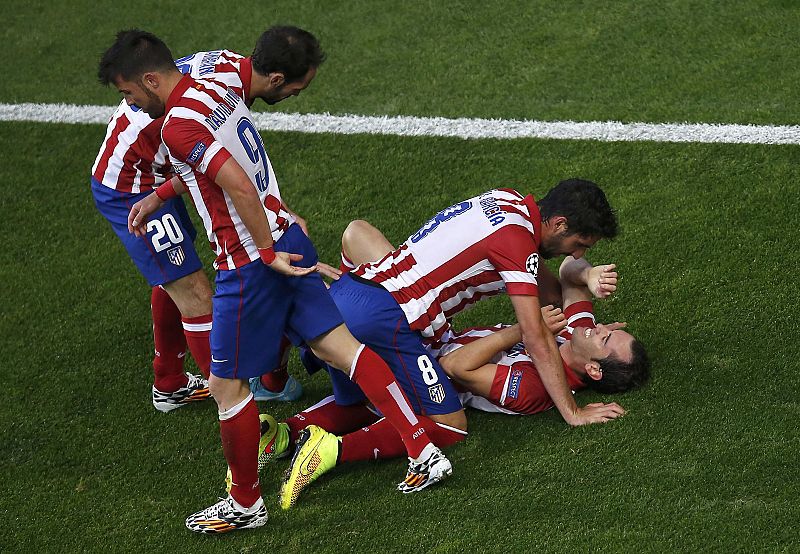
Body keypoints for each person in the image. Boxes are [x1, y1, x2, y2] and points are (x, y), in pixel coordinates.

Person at [99, 29, 451, 534]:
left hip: (251, 263)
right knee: (340, 348)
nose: (129, 104)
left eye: (129, 94)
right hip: (288, 232)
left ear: (151, 80)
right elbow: (215, 162)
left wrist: (264, 254)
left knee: (225, 384)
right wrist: (159, 196)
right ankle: (423, 449)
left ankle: (244, 503)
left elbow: (235, 183)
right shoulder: (220, 77)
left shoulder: (176, 125)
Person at [275, 182, 625, 507]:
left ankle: (279, 432)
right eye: (580, 244)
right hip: (390, 318)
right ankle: (330, 449)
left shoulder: (507, 201)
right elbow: (534, 335)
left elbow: (551, 290)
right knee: (448, 424)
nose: (578, 253)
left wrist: (584, 276)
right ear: (560, 225)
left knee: (371, 389)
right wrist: (573, 413)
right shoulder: (517, 245)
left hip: (356, 290)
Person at [91, 26, 333, 411]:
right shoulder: (222, 95)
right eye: (294, 89)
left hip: (161, 175)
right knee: (196, 293)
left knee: (178, 272)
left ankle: (170, 380)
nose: (293, 96)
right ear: (275, 78)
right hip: (131, 183)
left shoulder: (230, 69)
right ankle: (232, 397)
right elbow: (213, 168)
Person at [432, 255, 651, 416]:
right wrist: (588, 275)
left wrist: (529, 328)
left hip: (421, 369)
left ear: (593, 368)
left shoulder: (534, 387)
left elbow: (453, 365)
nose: (601, 326)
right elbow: (570, 266)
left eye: (604, 338)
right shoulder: (574, 336)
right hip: (439, 336)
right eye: (609, 330)